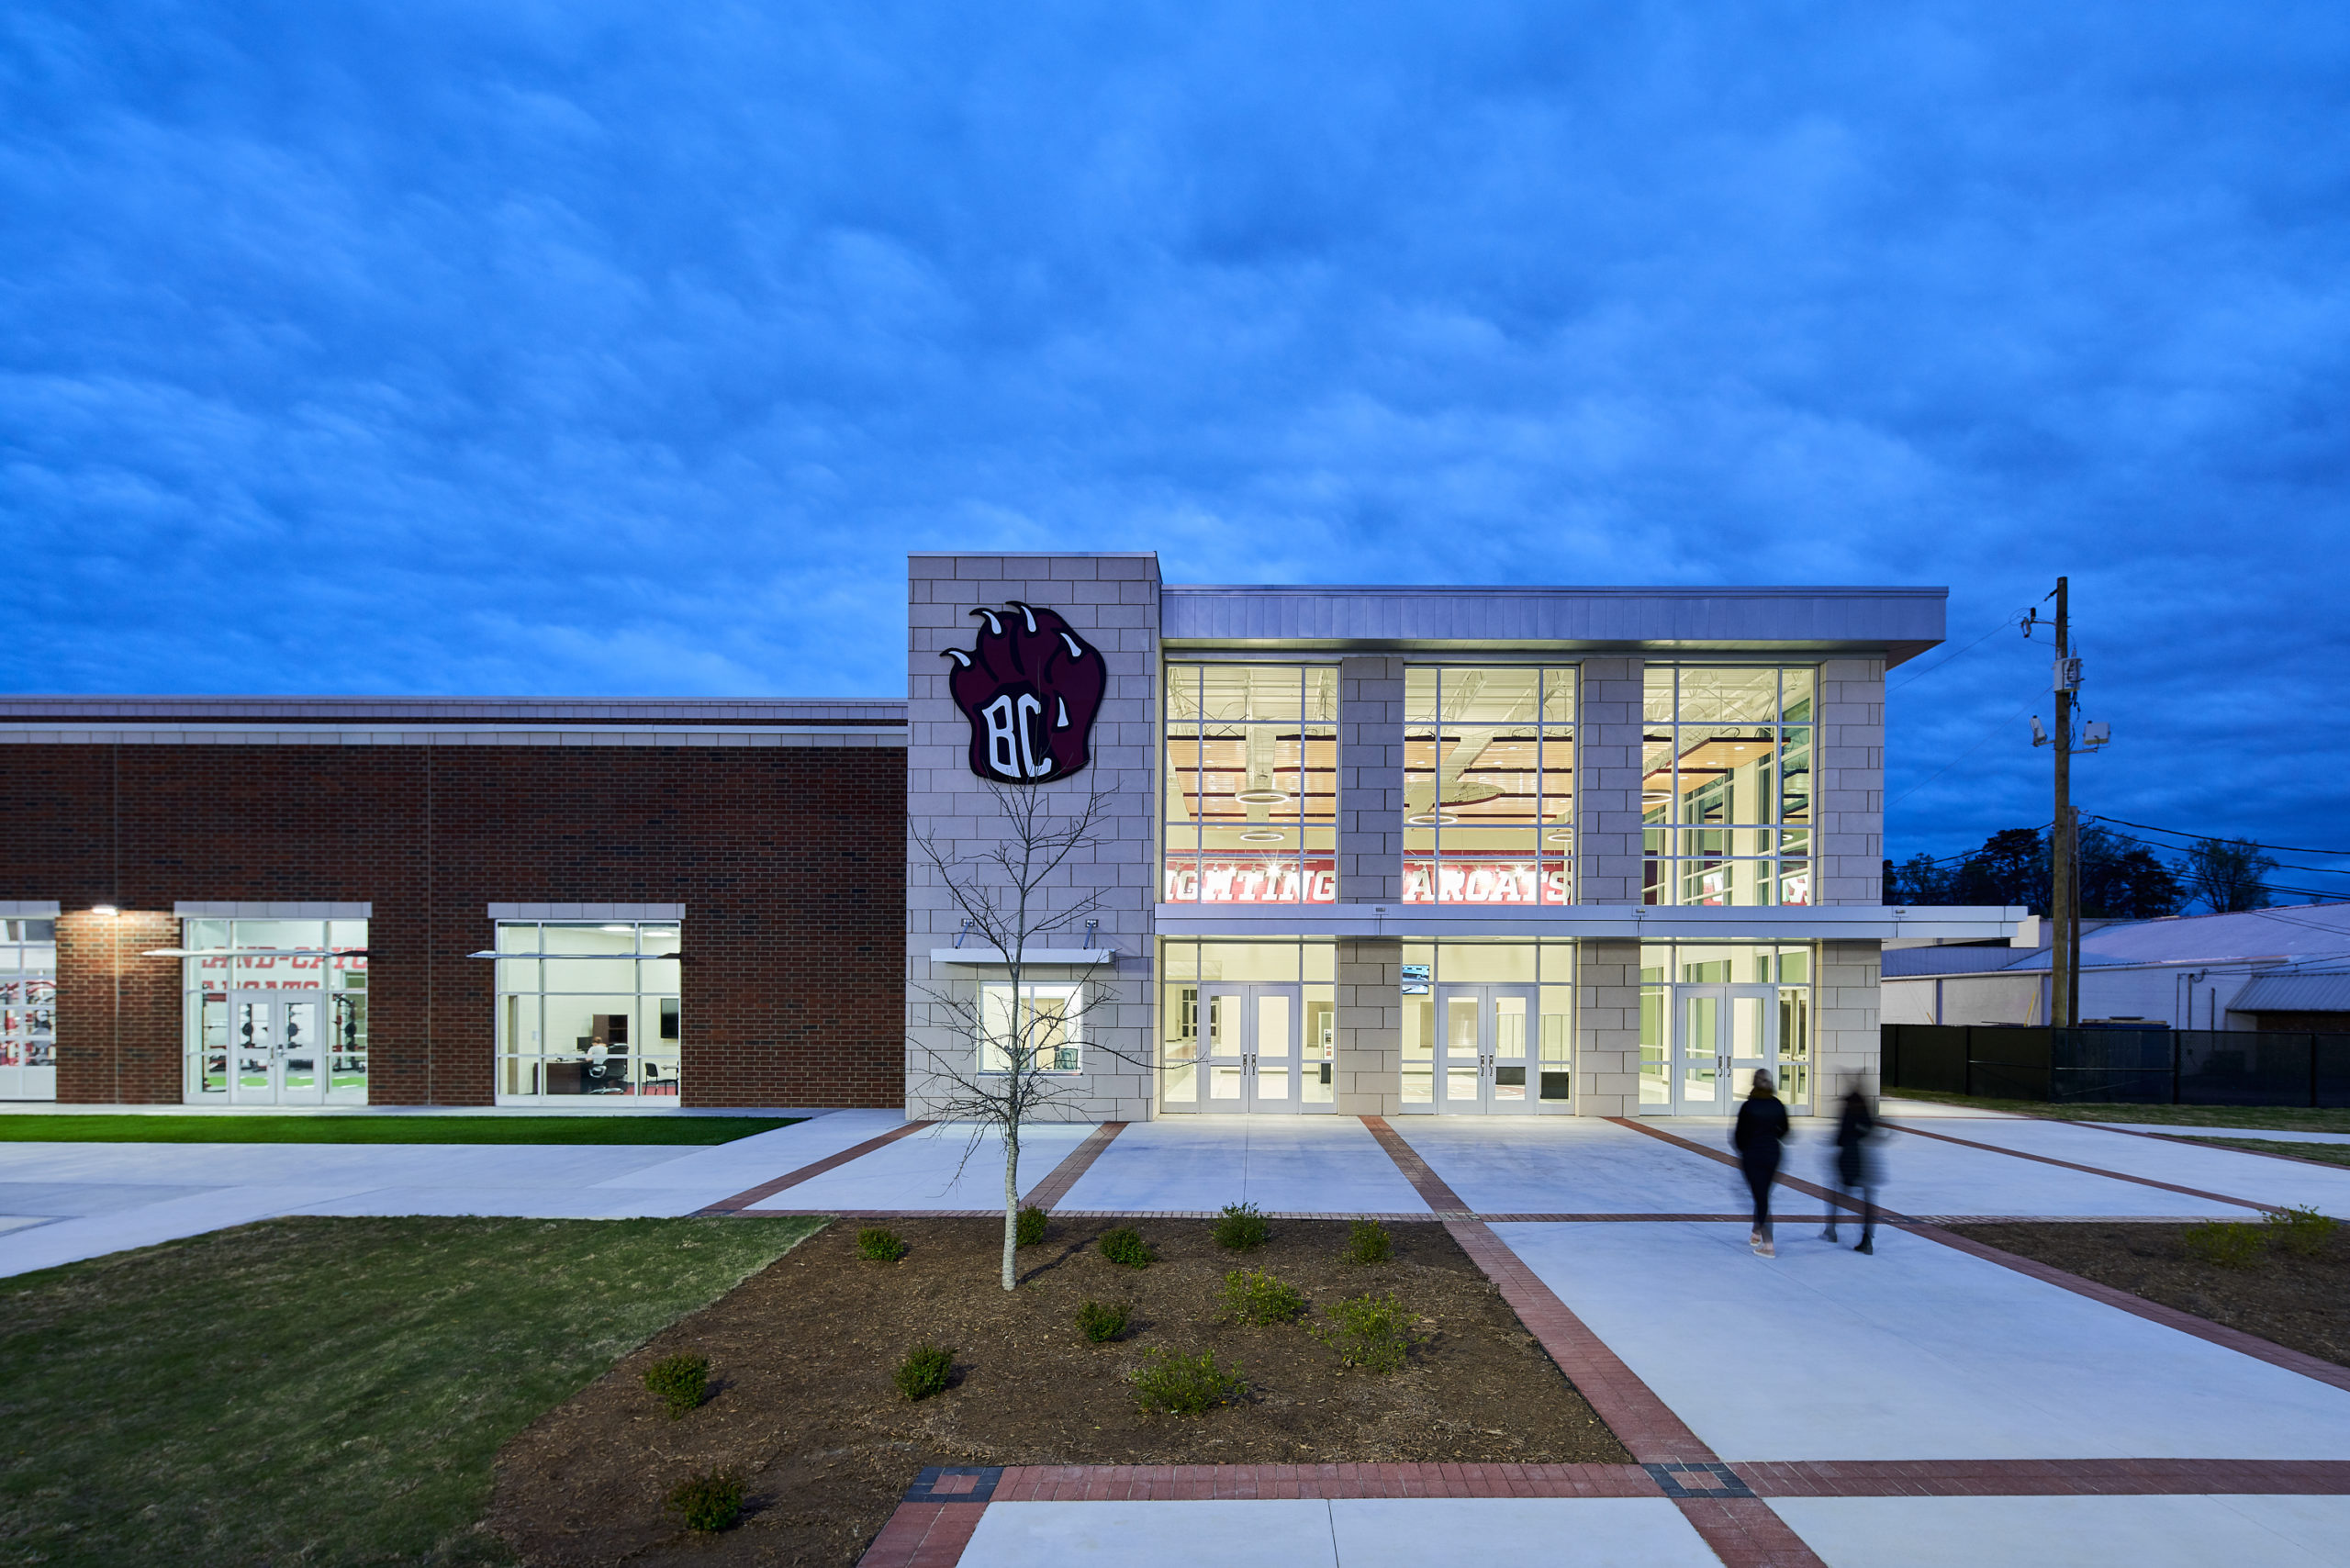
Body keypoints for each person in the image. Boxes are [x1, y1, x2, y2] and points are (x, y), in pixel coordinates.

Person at [1732, 1069, 1790, 1257]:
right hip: (1773, 1154)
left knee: (1761, 1197)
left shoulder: (1748, 1107)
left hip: (1753, 1155)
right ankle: (1757, 1232)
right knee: (1763, 1194)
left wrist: (1746, 1149)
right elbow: (1786, 1131)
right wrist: (1772, 1138)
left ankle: (1769, 1245)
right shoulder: (1778, 1105)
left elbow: (1738, 1137)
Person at [1824, 1081, 1878, 1253]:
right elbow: (1870, 1131)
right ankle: (1867, 1238)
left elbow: (1840, 1137)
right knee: (1867, 1203)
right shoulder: (1866, 1113)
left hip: (1849, 1159)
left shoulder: (1849, 1112)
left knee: (1837, 1196)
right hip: (1866, 1161)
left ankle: (1831, 1230)